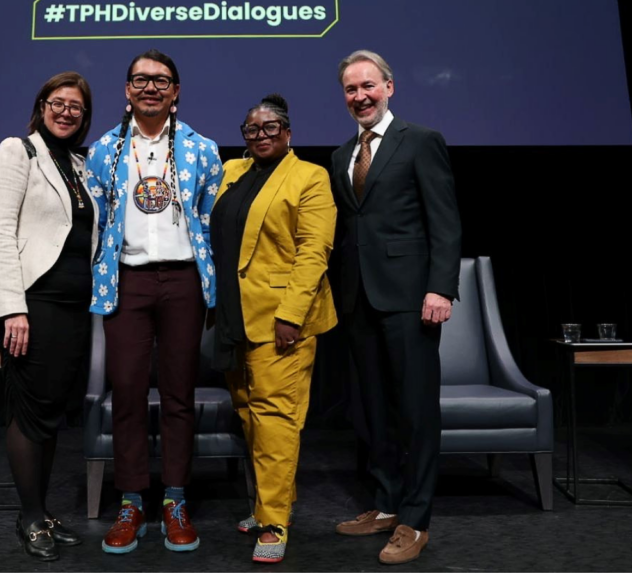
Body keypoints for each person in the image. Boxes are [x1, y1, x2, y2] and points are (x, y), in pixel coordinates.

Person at [85, 49, 224, 554]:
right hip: (127, 282)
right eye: (140, 80)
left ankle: (175, 500)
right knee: (125, 391)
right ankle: (130, 502)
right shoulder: (104, 152)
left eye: (161, 80)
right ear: (126, 91)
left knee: (178, 394)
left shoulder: (202, 149)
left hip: (184, 280)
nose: (150, 87)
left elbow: (210, 219)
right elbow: (97, 225)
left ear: (176, 91)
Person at [329, 50, 462, 565]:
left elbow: (445, 221)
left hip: (411, 299)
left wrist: (440, 288)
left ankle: (415, 519)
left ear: (389, 87)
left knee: (415, 410)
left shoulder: (420, 141)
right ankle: (384, 505)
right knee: (372, 410)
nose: (358, 96)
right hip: (357, 298)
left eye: (367, 86)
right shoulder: (342, 155)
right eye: (349, 89)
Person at [0, 71, 96, 562]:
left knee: (49, 414)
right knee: (29, 412)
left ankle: (41, 513)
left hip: (73, 309)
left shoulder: (82, 165)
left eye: (77, 107)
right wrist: (13, 310)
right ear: (41, 105)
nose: (66, 112)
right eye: (58, 102)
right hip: (33, 303)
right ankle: (28, 518)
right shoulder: (16, 152)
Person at [213, 94, 337, 563]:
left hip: (282, 321)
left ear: (288, 133)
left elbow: (314, 251)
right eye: (251, 129)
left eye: (270, 128)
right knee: (248, 413)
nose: (260, 135)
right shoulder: (232, 172)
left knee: (276, 421)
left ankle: (274, 523)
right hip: (233, 317)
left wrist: (291, 314)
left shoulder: (310, 176)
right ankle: (271, 501)